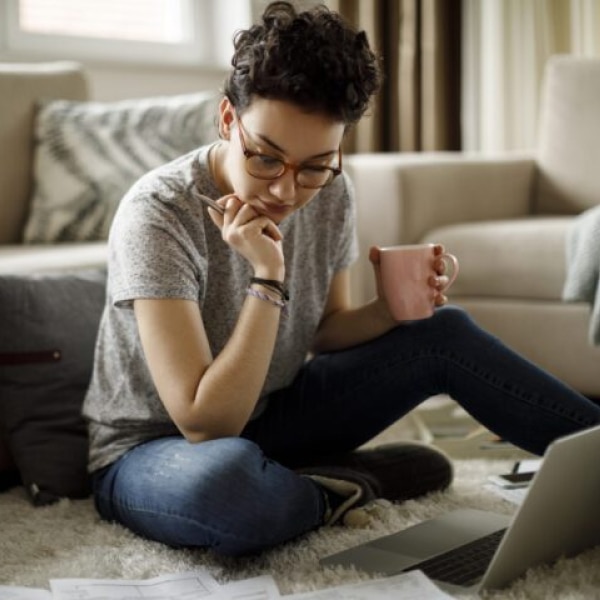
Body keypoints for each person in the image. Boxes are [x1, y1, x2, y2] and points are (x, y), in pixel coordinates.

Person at [83, 1, 600, 557]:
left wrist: (388, 311)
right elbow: (206, 423)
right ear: (229, 120)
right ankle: (348, 485)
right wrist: (268, 278)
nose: (286, 191)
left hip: (274, 416)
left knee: (442, 332)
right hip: (155, 449)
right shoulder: (159, 212)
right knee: (226, 489)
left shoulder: (332, 192)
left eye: (315, 165)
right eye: (266, 159)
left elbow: (325, 330)